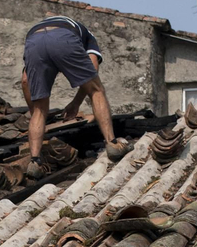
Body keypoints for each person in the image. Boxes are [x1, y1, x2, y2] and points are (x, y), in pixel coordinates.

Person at [21, 15, 130, 175]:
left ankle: (35, 162)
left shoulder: (38, 30)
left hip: (34, 40)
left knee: (39, 110)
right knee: (97, 90)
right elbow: (92, 72)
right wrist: (76, 103)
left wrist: (35, 116)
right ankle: (112, 143)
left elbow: (25, 81)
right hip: (63, 38)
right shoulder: (88, 36)